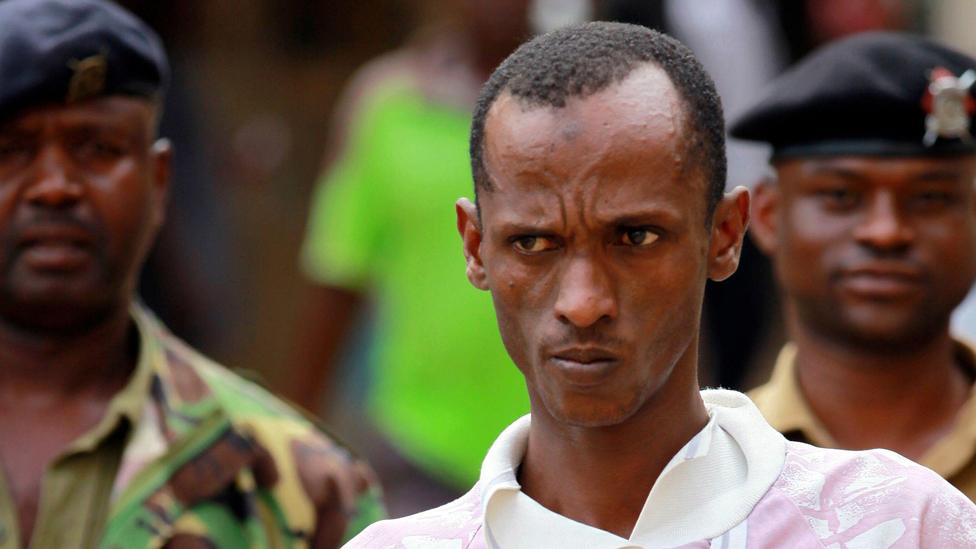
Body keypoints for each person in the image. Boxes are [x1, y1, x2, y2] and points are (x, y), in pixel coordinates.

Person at [344, 22, 976, 548]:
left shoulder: (898, 526)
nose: (584, 303)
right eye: (534, 243)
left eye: (636, 238)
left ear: (725, 235)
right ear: (476, 247)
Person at [0, 1, 382, 547]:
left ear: (158, 182)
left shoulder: (299, 485)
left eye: (97, 149)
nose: (56, 185)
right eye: (11, 150)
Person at [291, 0, 533, 515]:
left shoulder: (588, 107)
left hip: (560, 445)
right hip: (417, 443)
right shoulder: (390, 103)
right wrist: (294, 435)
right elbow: (338, 274)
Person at [735, 32, 976, 501]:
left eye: (931, 198)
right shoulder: (706, 473)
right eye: (841, 196)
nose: (885, 232)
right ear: (766, 216)